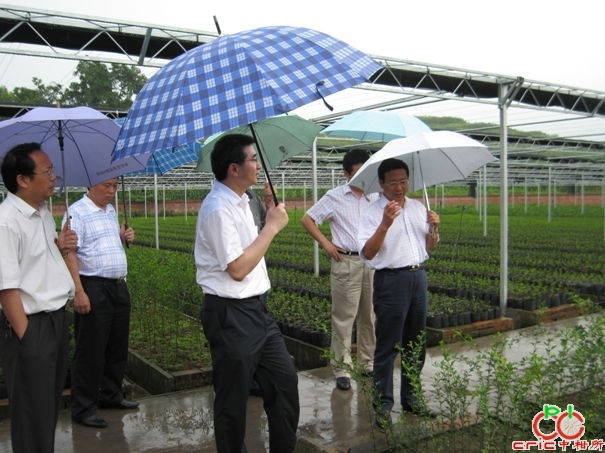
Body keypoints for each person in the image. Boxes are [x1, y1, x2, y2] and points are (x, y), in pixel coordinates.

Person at [195, 134, 299, 453]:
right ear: (234, 169)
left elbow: (251, 253)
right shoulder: (217, 209)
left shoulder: (243, 201)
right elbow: (237, 269)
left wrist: (267, 214)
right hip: (230, 314)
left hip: (257, 312)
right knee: (232, 401)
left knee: (284, 382)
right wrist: (271, 227)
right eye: (253, 159)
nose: (258, 164)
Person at [0, 143, 77, 453]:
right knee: (32, 411)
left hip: (55, 319)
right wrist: (28, 336)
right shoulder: (7, 222)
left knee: (46, 407)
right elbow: (6, 286)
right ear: (22, 179)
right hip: (31, 325)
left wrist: (60, 246)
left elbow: (34, 265)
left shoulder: (42, 214)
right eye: (47, 172)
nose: (53, 177)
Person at [357, 158, 440, 427]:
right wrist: (385, 223)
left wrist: (434, 230)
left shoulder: (418, 208)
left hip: (418, 278)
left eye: (403, 181)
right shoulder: (372, 213)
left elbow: (429, 247)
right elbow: (368, 253)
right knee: (388, 346)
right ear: (381, 183)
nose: (399, 187)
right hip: (390, 281)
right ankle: (382, 405)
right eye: (392, 182)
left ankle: (412, 398)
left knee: (415, 343)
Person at [62, 177, 139, 429]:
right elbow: (70, 253)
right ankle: (83, 408)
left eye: (115, 186)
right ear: (90, 184)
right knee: (90, 350)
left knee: (116, 346)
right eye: (107, 185)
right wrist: (79, 291)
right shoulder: (76, 213)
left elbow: (102, 245)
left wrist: (121, 236)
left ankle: (110, 395)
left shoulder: (110, 211)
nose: (112, 191)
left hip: (118, 286)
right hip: (94, 287)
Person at [301, 149, 378, 391]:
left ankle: (368, 362)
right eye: (357, 171)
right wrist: (325, 243)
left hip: (372, 262)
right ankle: (342, 368)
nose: (363, 176)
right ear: (346, 174)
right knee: (344, 318)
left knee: (370, 316)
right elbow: (307, 219)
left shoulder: (375, 196)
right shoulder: (335, 197)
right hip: (347, 262)